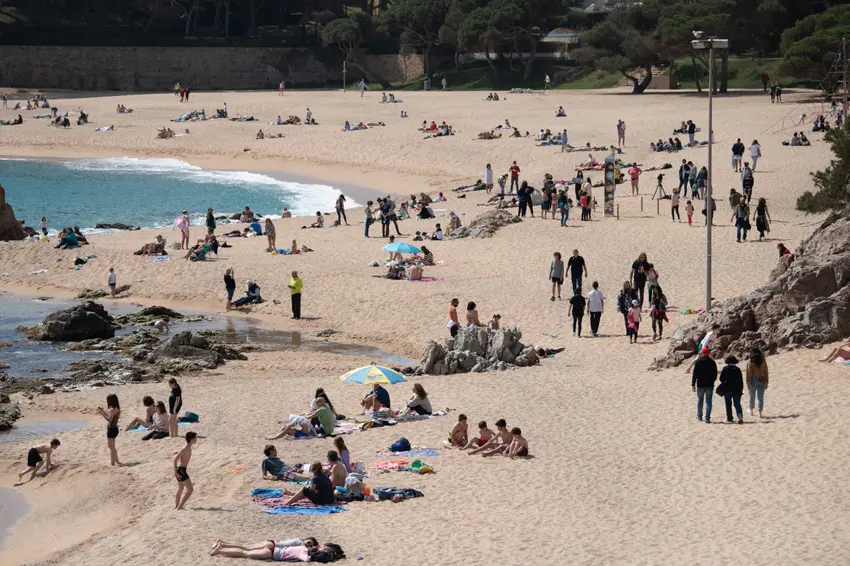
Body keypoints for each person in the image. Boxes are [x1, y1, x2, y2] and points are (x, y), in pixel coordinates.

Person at [692, 348, 717, 423]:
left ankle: (699, 416)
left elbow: (695, 374)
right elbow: (715, 374)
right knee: (708, 401)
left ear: (702, 353)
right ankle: (707, 418)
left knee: (700, 400)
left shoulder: (698, 362)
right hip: (710, 384)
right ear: (708, 353)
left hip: (700, 384)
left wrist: (693, 384)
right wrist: (712, 381)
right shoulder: (712, 362)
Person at [174, 431, 197, 510]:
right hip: (181, 470)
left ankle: (176, 506)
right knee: (190, 490)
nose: (196, 439)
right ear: (191, 439)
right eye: (195, 438)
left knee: (181, 489)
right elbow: (175, 459)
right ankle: (180, 507)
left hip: (181, 470)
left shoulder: (188, 448)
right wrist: (175, 472)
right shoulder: (185, 449)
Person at [96, 393, 121, 466]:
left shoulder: (112, 409)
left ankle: (112, 463)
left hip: (111, 429)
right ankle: (117, 460)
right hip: (115, 428)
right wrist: (103, 411)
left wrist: (102, 414)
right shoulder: (117, 408)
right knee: (112, 446)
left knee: (111, 447)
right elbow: (111, 416)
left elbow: (109, 420)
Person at [719, 356, 744, 424]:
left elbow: (721, 379)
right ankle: (739, 415)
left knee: (728, 404)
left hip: (727, 389)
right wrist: (741, 389)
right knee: (737, 404)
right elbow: (741, 380)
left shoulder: (725, 369)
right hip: (737, 389)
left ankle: (729, 418)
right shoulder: (737, 369)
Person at [746, 347, 769, 418]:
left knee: (752, 395)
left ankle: (751, 410)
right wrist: (767, 381)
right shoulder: (763, 360)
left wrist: (748, 382)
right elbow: (766, 371)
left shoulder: (750, 361)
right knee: (760, 397)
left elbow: (749, 373)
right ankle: (760, 412)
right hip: (762, 378)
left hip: (753, 379)